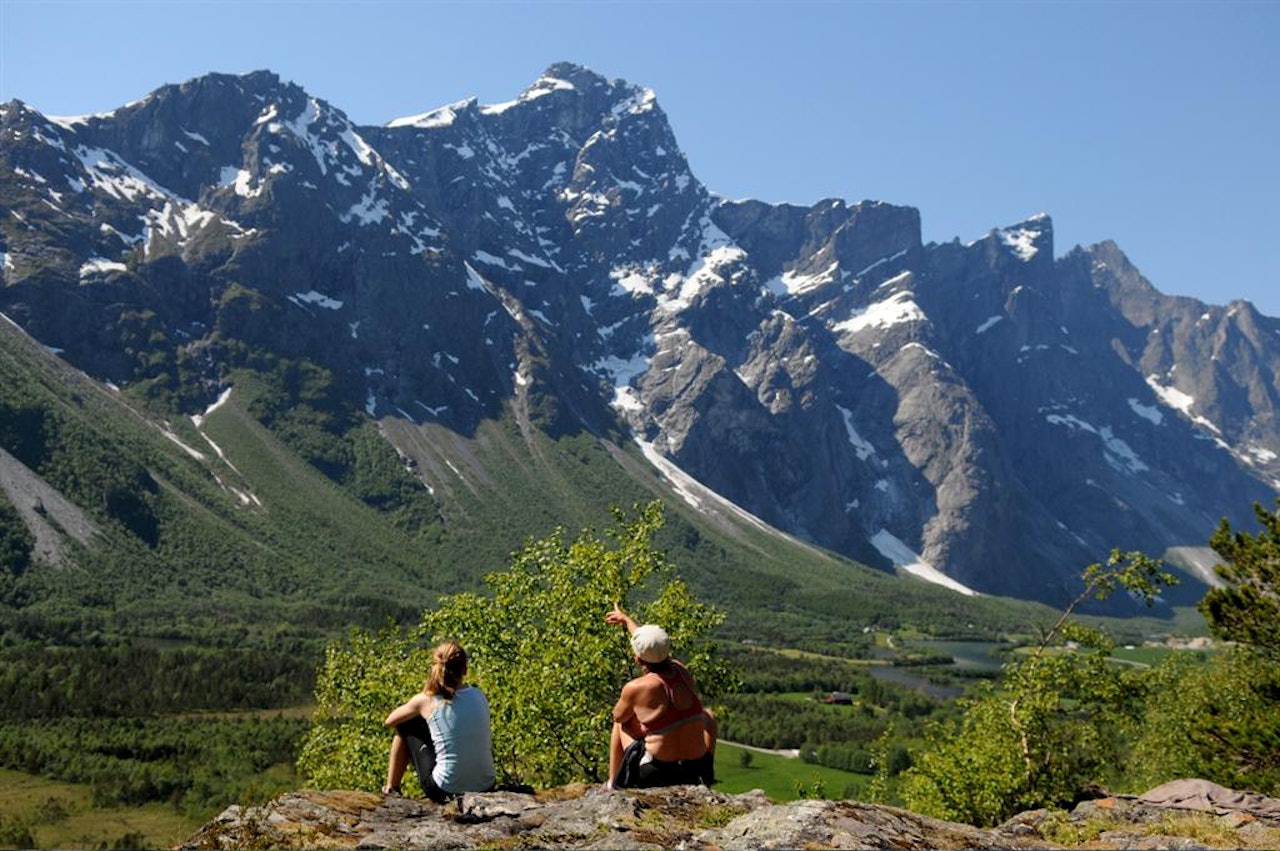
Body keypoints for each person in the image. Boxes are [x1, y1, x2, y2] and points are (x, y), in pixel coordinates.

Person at [604, 604, 717, 789]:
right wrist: (626, 620)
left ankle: (613, 784)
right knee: (708, 716)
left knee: (621, 723)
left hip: (657, 772)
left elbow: (618, 715)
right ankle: (706, 776)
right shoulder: (682, 671)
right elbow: (654, 647)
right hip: (694, 767)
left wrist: (642, 726)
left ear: (638, 660)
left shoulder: (635, 688)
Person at [382, 640, 496, 803]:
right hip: (486, 786)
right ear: (465, 670)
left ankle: (392, 788)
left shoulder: (426, 700)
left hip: (445, 789)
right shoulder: (479, 695)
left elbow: (390, 721)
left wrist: (423, 698)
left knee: (406, 725)